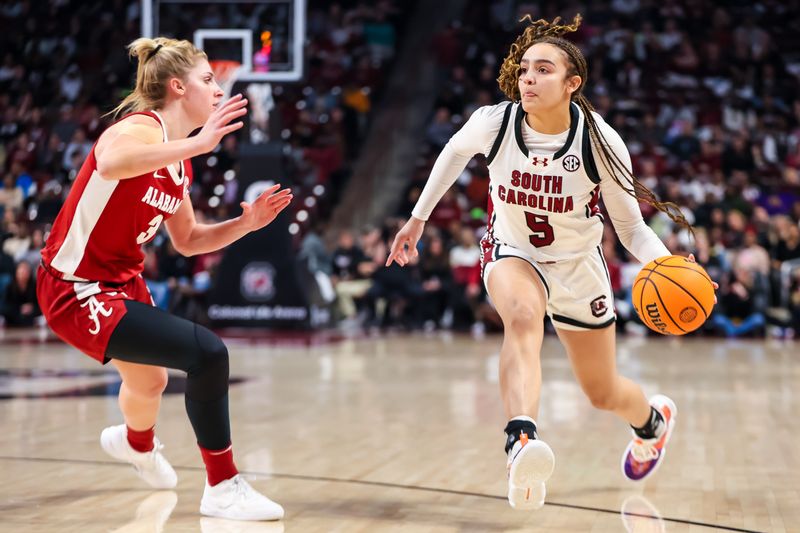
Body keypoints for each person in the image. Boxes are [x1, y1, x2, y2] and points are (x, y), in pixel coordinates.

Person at [386, 15, 716, 510]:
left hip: (578, 266)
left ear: (572, 83)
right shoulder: (495, 122)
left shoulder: (599, 142)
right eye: (524, 70)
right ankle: (520, 441)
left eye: (543, 70)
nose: (528, 79)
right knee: (521, 317)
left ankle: (651, 422)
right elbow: (452, 155)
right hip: (513, 250)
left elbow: (629, 228)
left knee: (602, 392)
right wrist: (417, 219)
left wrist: (666, 266)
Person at [36, 37, 292, 521]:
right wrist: (201, 141)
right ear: (177, 87)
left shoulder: (179, 162)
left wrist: (245, 224)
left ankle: (135, 444)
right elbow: (110, 162)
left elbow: (189, 239)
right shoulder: (141, 127)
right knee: (208, 354)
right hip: (75, 286)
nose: (218, 91)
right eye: (208, 80)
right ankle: (222, 486)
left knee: (150, 381)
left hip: (121, 282)